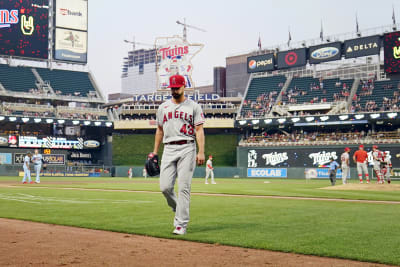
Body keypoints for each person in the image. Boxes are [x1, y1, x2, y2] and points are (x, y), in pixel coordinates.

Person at [152, 74, 205, 235]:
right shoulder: (163, 107)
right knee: (165, 187)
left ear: (184, 87)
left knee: (183, 187)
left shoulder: (193, 106)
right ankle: (178, 208)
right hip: (168, 148)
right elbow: (159, 130)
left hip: (187, 147)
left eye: (177, 87)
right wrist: (154, 152)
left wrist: (201, 151)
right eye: (172, 88)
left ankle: (181, 224)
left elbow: (199, 130)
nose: (174, 90)